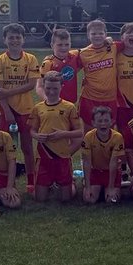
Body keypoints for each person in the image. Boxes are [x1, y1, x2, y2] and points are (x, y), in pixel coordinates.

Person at [0, 22, 41, 188]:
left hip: (26, 110)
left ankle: (31, 181)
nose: (14, 40)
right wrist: (7, 111)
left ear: (23, 39)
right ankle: (6, 181)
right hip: (7, 110)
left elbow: (31, 84)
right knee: (5, 147)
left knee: (27, 147)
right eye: (11, 38)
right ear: (5, 40)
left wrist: (7, 92)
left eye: (17, 37)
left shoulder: (31, 59)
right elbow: (0, 90)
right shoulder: (0, 60)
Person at [31, 71, 83, 203]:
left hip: (62, 156)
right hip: (43, 156)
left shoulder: (69, 107)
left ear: (61, 87)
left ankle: (70, 184)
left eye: (55, 88)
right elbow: (32, 130)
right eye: (48, 88)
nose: (52, 92)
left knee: (67, 199)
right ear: (44, 87)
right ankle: (49, 184)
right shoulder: (38, 108)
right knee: (39, 199)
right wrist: (37, 136)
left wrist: (63, 134)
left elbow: (80, 132)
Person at [81, 105, 125, 205]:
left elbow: (114, 163)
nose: (103, 124)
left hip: (111, 172)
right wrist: (87, 187)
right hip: (96, 172)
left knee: (112, 201)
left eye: (106, 120)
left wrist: (110, 187)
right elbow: (87, 162)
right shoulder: (88, 137)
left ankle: (109, 188)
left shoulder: (117, 137)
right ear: (93, 123)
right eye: (99, 121)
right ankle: (95, 188)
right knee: (89, 200)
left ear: (112, 121)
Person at [76, 20, 117, 126]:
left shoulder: (113, 47)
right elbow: (70, 70)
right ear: (88, 35)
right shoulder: (82, 53)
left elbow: (132, 46)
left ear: (106, 34)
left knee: (109, 130)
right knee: (89, 130)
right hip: (90, 98)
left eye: (100, 33)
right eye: (93, 34)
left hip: (110, 98)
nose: (97, 36)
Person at [40, 27, 82, 105]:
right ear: (52, 45)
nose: (64, 48)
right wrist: (49, 101)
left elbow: (91, 49)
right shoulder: (48, 63)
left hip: (71, 104)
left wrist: (106, 40)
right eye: (60, 45)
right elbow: (39, 86)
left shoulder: (75, 56)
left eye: (67, 44)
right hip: (54, 104)